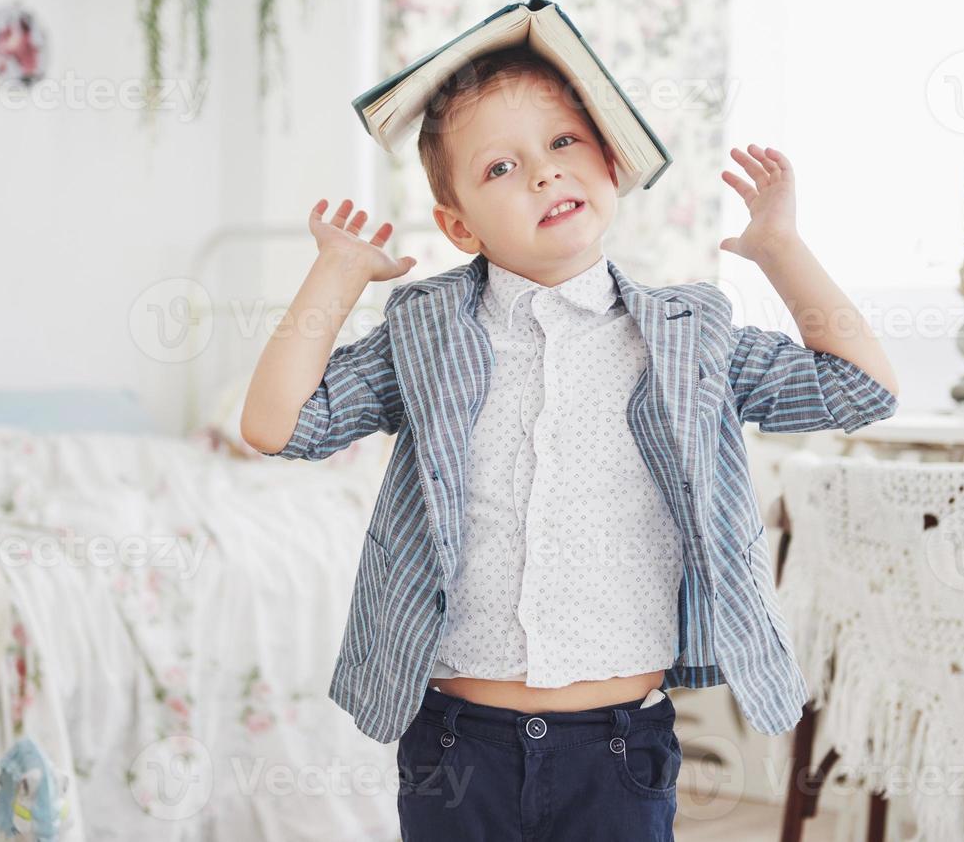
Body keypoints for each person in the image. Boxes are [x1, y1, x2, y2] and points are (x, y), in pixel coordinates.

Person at [240, 46, 899, 840]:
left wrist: (781, 248)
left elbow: (862, 387)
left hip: (619, 746)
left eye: (563, 143)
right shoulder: (424, 331)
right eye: (500, 169)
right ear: (459, 227)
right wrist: (338, 274)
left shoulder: (690, 334)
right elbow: (278, 426)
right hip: (456, 743)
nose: (545, 175)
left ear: (612, 161)